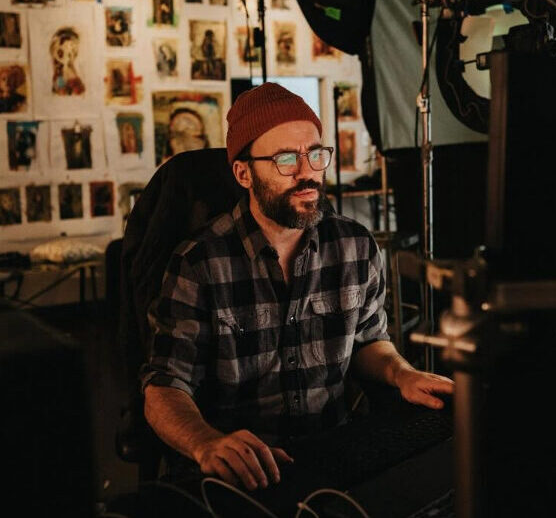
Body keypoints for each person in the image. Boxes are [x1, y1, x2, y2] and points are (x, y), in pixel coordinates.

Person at [140, 83, 454, 490]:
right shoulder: (199, 263)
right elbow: (165, 385)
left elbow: (367, 343)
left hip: (336, 454)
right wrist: (206, 444)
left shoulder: (355, 247)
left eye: (315, 154)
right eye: (286, 158)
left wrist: (401, 373)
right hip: (246, 473)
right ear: (243, 173)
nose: (307, 172)